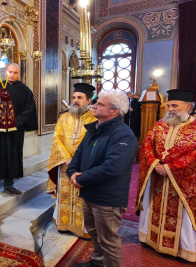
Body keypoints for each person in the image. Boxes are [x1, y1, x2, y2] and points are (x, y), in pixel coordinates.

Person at [67, 91, 138, 267]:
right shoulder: (94, 128)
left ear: (114, 111)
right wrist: (72, 172)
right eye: (96, 103)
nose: (94, 106)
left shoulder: (123, 134)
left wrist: (82, 178)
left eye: (100, 104)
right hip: (89, 193)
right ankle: (97, 263)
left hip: (108, 197)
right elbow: (79, 154)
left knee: (108, 240)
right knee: (93, 232)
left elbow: (113, 167)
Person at [136, 89, 196, 262]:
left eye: (175, 105)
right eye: (169, 105)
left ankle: (185, 249)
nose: (170, 109)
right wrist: (155, 164)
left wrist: (170, 167)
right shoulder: (159, 125)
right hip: (157, 178)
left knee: (182, 214)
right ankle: (150, 238)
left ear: (188, 106)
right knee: (153, 205)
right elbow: (147, 145)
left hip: (183, 182)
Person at [47, 83, 97, 238]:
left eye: (80, 98)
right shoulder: (64, 117)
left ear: (89, 100)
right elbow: (57, 139)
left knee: (83, 196)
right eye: (74, 97)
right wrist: (66, 158)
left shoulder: (95, 118)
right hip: (65, 164)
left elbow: (97, 142)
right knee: (65, 194)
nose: (75, 100)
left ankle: (83, 228)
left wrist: (81, 160)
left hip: (85, 166)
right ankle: (64, 224)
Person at [0, 63, 38, 198]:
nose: (12, 75)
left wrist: (16, 121)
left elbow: (29, 109)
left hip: (15, 130)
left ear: (20, 74)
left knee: (12, 155)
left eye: (15, 72)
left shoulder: (25, 91)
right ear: (5, 72)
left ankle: (9, 185)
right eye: (10, 72)